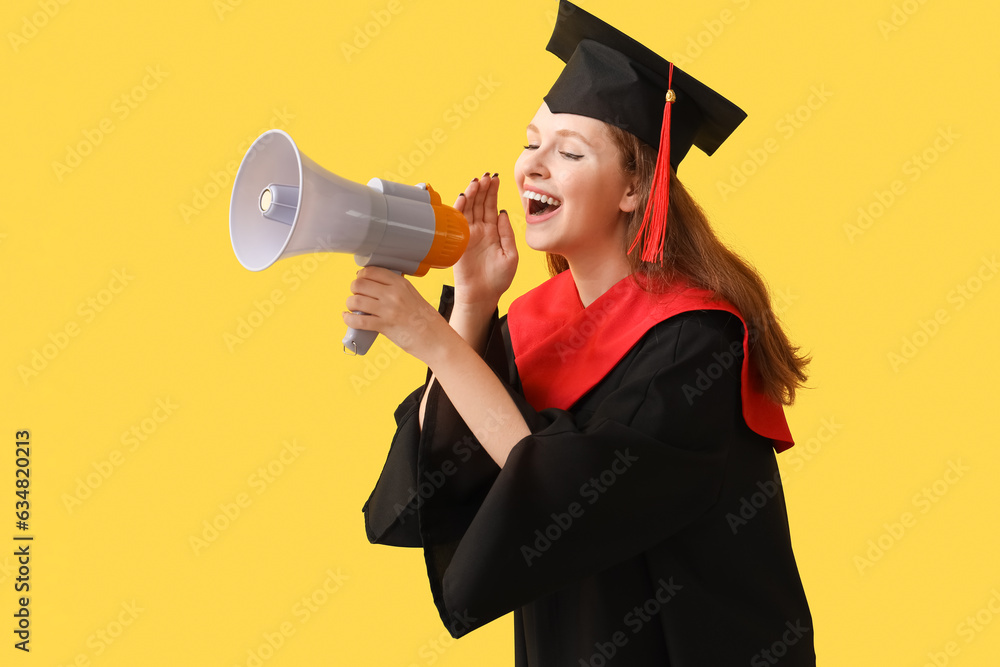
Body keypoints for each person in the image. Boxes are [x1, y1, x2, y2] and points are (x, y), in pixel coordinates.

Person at [348, 2, 815, 664]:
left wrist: (435, 341)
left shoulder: (695, 345)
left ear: (634, 189)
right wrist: (472, 304)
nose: (532, 165)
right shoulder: (534, 325)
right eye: (530, 141)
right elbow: (433, 493)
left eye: (568, 151)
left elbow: (563, 501)